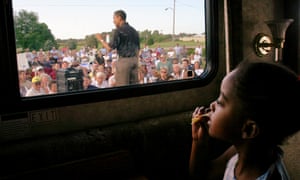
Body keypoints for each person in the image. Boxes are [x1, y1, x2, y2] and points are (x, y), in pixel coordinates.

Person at [189, 60, 300, 180]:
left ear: (249, 129)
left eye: (221, 102)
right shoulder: (239, 153)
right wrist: (198, 142)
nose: (212, 105)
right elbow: (203, 174)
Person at [95, 10, 140, 87]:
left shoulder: (119, 31)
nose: (113, 21)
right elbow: (138, 49)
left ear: (119, 17)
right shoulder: (134, 31)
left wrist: (101, 39)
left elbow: (109, 48)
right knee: (134, 87)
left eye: (114, 18)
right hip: (135, 61)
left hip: (124, 62)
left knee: (122, 87)